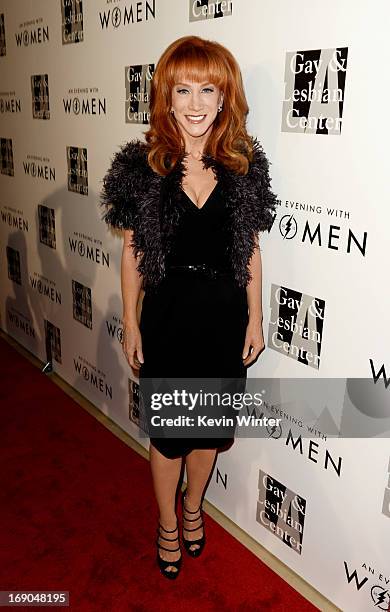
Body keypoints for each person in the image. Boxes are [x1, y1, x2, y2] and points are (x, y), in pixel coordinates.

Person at [100, 35, 277, 579]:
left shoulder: (243, 167)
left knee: (207, 431)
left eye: (208, 89)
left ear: (225, 99)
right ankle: (167, 523)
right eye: (184, 89)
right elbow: (133, 253)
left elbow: (248, 249)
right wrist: (130, 322)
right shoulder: (143, 166)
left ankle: (195, 506)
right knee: (171, 435)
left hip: (222, 322)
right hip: (170, 319)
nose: (196, 103)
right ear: (166, 96)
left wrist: (256, 316)